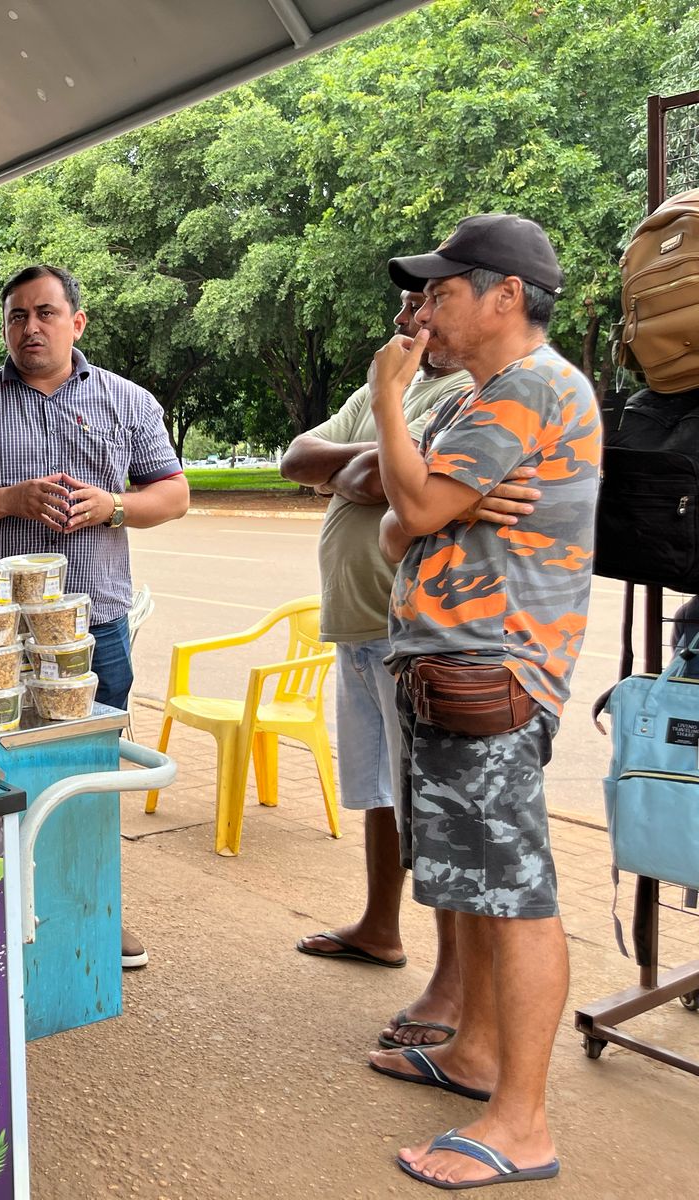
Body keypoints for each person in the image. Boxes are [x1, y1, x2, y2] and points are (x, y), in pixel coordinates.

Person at [364, 214, 600, 1190]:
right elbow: (392, 531)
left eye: (440, 290)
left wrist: (386, 403)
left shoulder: (533, 386)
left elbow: (410, 511)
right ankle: (473, 1056)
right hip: (454, 667)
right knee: (472, 884)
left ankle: (523, 1123)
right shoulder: (482, 399)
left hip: (494, 670)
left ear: (505, 295)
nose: (419, 312)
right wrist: (419, 502)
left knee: (512, 895)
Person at [0, 264, 190, 970]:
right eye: (16, 316)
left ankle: (96, 910)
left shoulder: (128, 402)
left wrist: (114, 506)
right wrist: (5, 499)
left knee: (88, 774)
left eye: (44, 313)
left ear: (77, 322)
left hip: (91, 629)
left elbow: (174, 494)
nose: (30, 328)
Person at [281, 291, 475, 1049]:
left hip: (416, 632)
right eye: (398, 309)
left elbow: (400, 486)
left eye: (420, 310)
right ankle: (378, 925)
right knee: (381, 792)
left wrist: (366, 465)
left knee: (431, 805)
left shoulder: (466, 391)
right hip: (359, 626)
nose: (401, 323)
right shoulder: (382, 388)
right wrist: (364, 459)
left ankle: (454, 982)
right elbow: (297, 457)